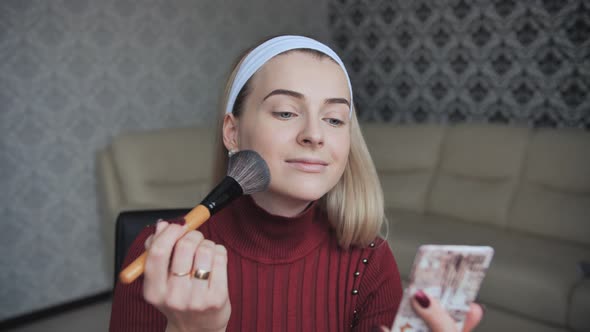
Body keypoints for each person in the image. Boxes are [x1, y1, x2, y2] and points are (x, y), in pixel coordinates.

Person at [109, 35, 483, 332]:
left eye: (335, 119)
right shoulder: (158, 254)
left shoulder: (367, 261)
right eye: (287, 112)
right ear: (233, 131)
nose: (314, 135)